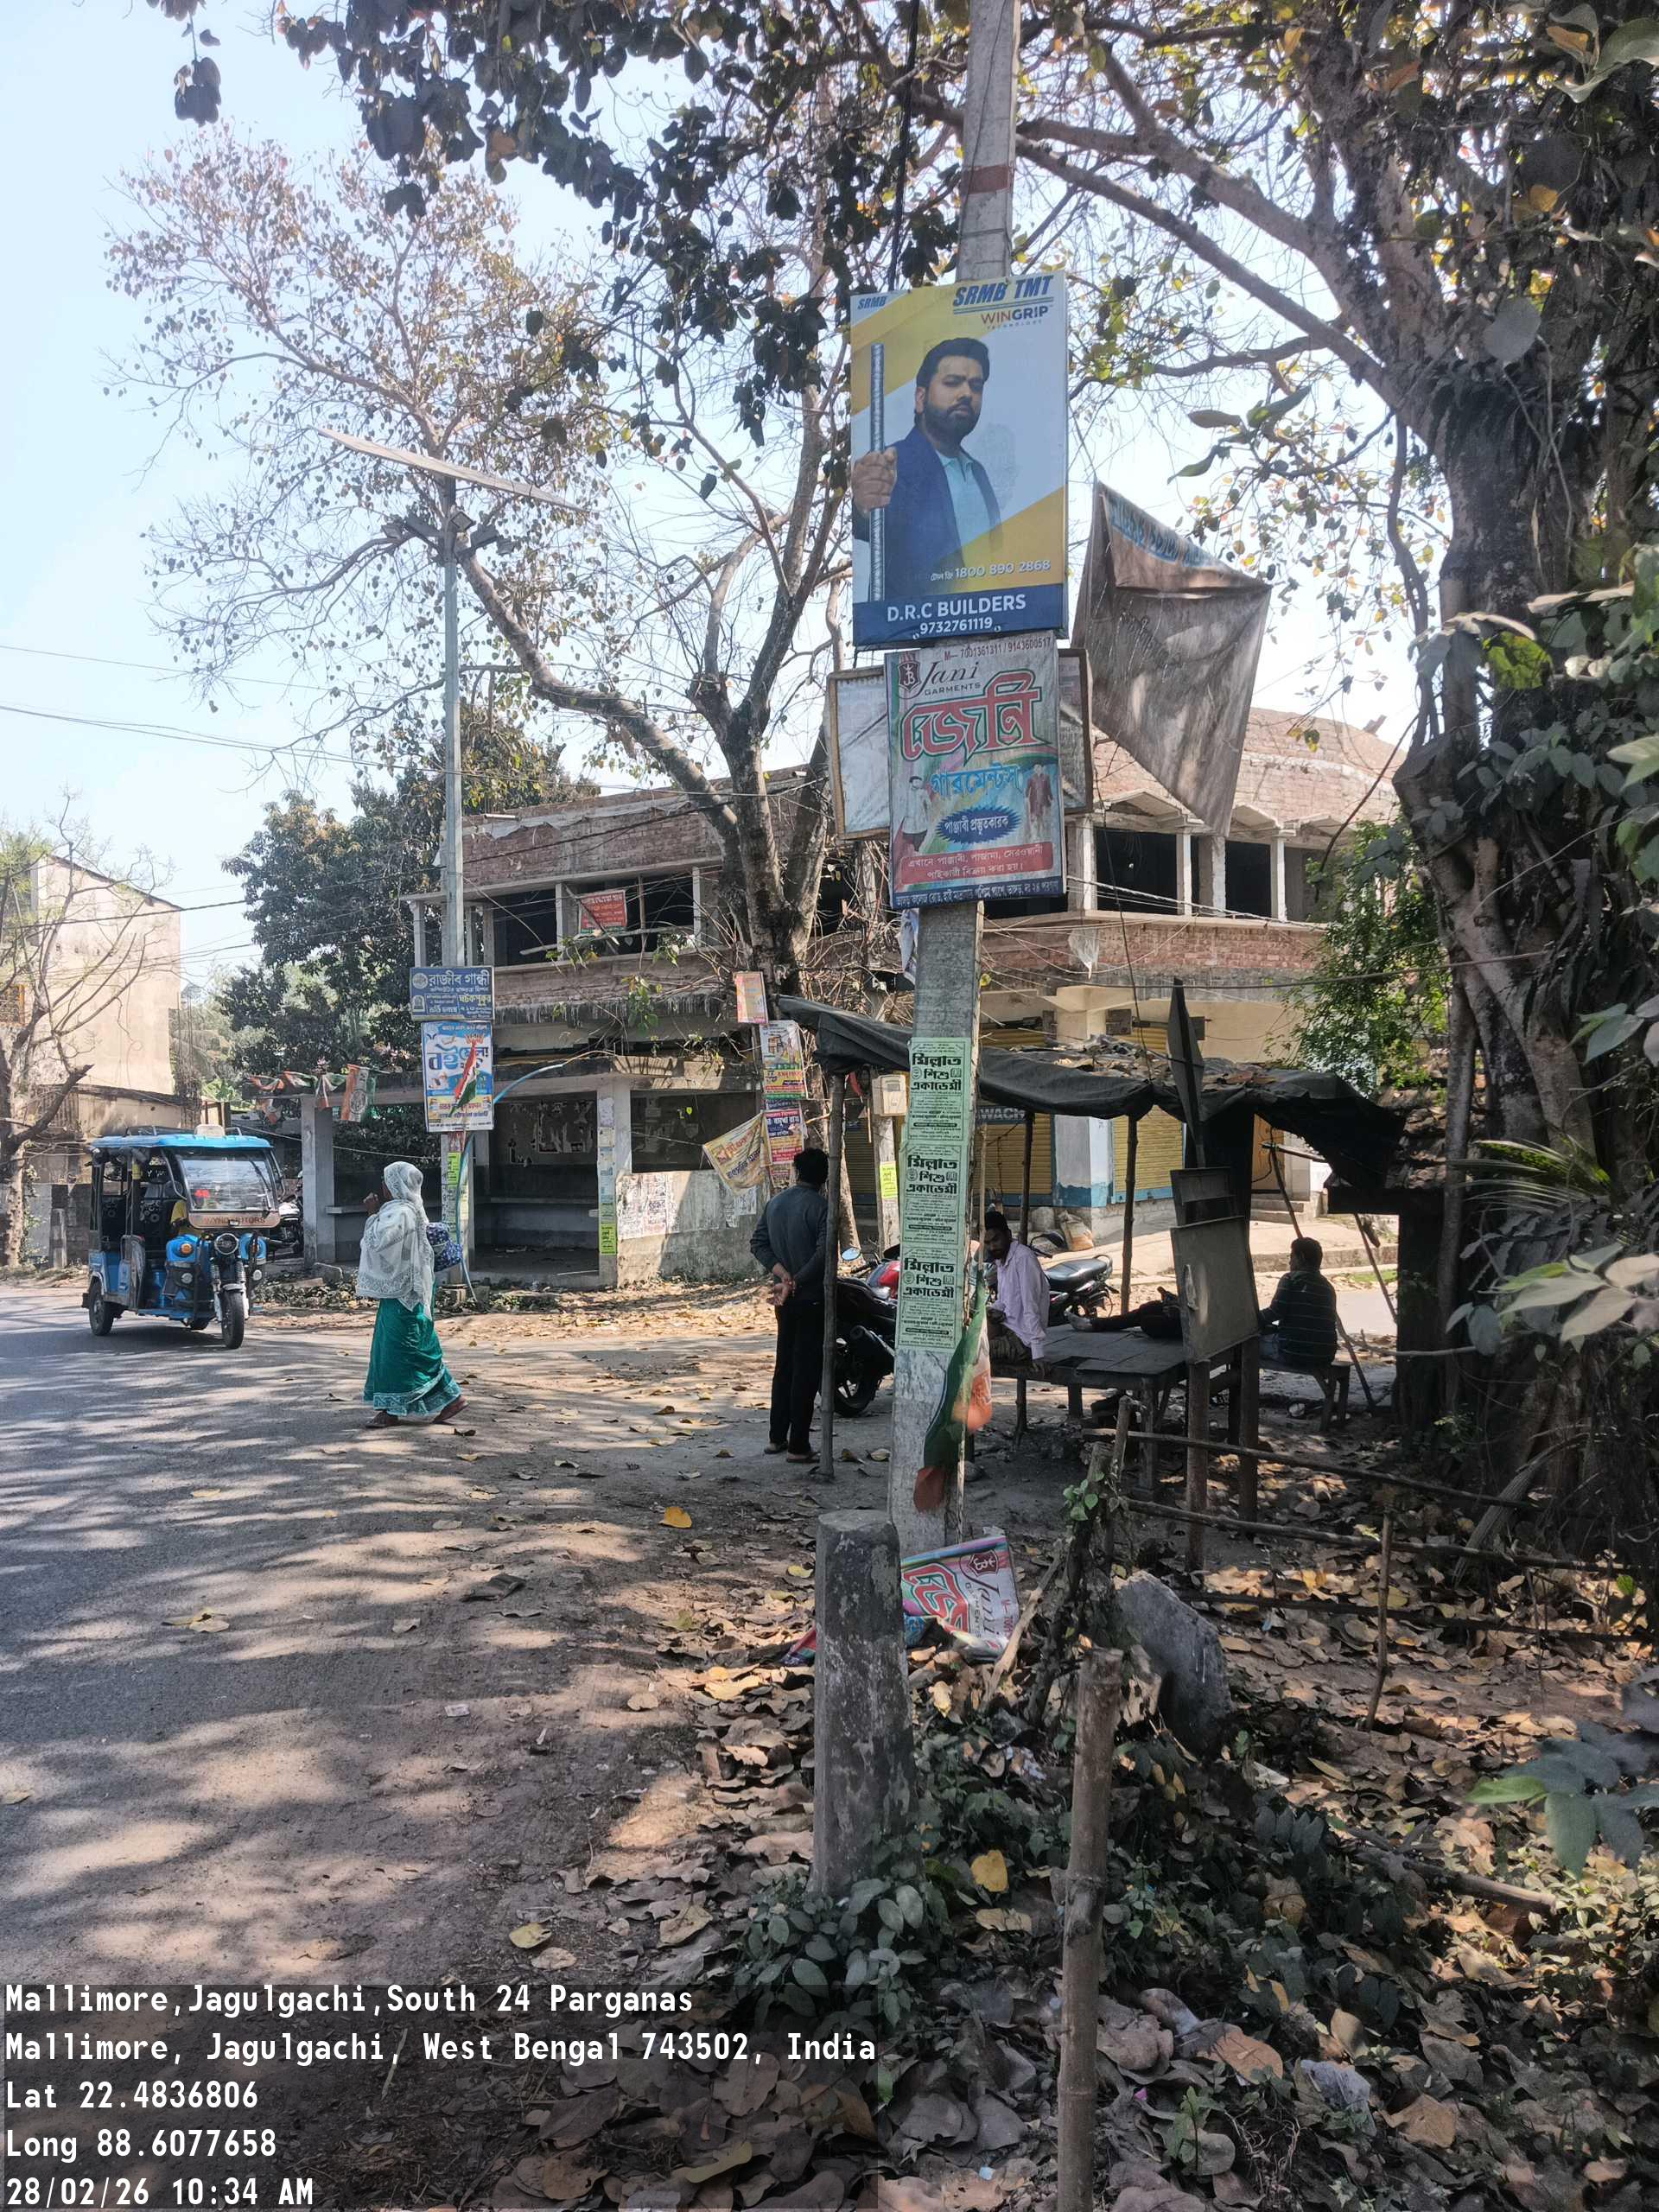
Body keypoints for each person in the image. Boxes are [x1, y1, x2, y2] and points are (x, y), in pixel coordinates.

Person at [851, 338, 1001, 606]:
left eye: (976, 386)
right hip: (915, 625)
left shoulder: (978, 473)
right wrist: (864, 506)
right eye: (953, 382)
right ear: (920, 398)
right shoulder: (892, 465)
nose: (967, 394)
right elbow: (871, 522)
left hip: (989, 623)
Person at [355, 1161, 466, 1428]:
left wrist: (372, 1213)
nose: (382, 1186)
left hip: (407, 1293)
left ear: (395, 1185)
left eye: (386, 1180)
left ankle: (393, 1410)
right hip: (402, 1290)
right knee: (402, 1348)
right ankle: (441, 1399)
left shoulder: (401, 1212)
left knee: (401, 1350)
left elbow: (378, 1242)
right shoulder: (406, 1209)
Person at [750, 1147, 830, 1464]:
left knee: (784, 1366)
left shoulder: (776, 1203)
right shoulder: (822, 1207)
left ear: (797, 1172)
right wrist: (796, 1279)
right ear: (825, 1176)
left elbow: (758, 1243)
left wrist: (783, 1275)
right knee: (805, 1371)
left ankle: (776, 1438)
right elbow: (824, 1253)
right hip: (810, 1298)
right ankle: (798, 1445)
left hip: (783, 1297)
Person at [1259, 1236, 1339, 1370]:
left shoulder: (1291, 1279)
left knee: (1247, 1345)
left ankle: (1242, 1381)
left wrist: (1250, 1320)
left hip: (1294, 1353)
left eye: (1291, 1257)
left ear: (1300, 1257)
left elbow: (1275, 1312)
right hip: (1325, 1355)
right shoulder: (1328, 1286)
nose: (1289, 1262)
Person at [982, 1209, 1047, 1367]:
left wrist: (1037, 1354)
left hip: (1023, 1340)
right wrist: (993, 1310)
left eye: (996, 1240)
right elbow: (1003, 1301)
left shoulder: (1023, 1258)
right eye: (988, 1243)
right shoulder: (1001, 1261)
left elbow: (1031, 1306)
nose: (992, 1247)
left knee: (973, 1352)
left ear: (1008, 1235)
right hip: (1007, 1327)